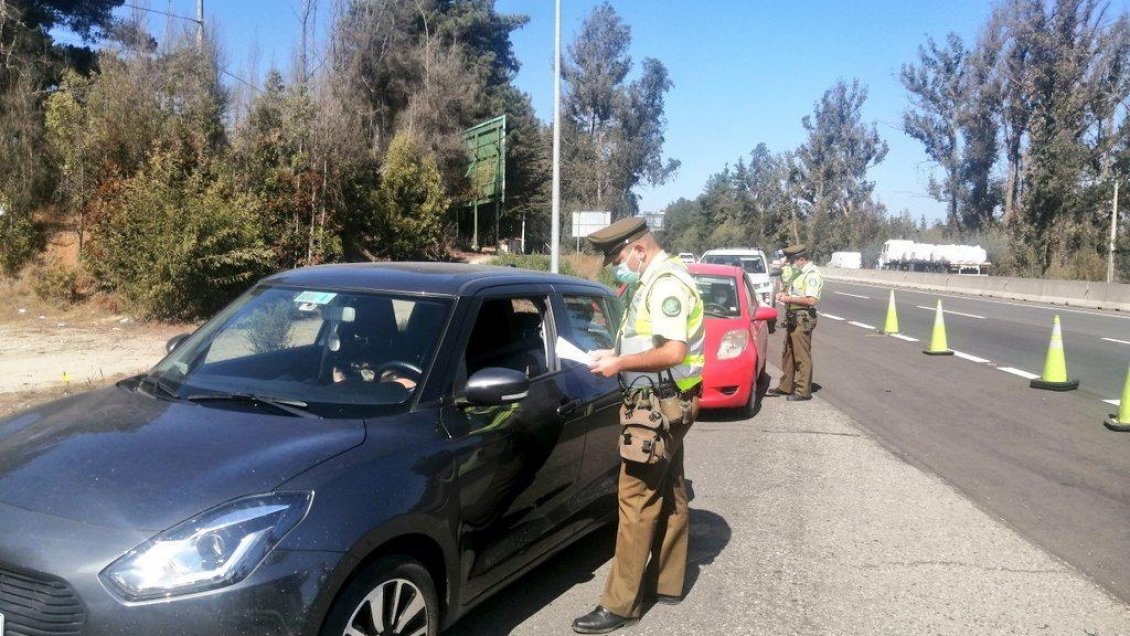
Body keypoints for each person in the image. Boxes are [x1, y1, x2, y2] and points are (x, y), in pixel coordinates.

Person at [573, 217, 705, 634]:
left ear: (639, 249)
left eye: (617, 257)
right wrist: (611, 353)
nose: (616, 266)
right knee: (670, 490)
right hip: (666, 401)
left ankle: (620, 604)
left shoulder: (666, 283)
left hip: (658, 404)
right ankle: (668, 582)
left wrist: (619, 364)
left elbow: (672, 351)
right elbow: (641, 339)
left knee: (635, 499)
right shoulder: (651, 280)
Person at [767, 244, 823, 401]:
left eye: (792, 261)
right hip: (793, 315)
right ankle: (786, 387)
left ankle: (803, 391)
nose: (791, 264)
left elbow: (811, 300)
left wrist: (787, 298)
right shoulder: (798, 273)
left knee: (801, 355)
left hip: (803, 317)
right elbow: (791, 289)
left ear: (802, 259)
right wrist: (783, 292)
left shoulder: (812, 274)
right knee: (788, 353)